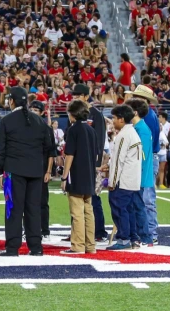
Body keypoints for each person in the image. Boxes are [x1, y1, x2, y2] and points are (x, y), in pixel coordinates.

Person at [0, 87, 53, 257]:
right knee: (33, 209)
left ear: (11, 101)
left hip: (14, 171)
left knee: (13, 209)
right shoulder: (38, 121)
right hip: (35, 172)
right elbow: (48, 147)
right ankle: (36, 248)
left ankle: (12, 248)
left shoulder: (7, 121)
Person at [70, 84, 108, 242]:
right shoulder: (73, 112)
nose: (75, 98)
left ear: (87, 96)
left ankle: (98, 232)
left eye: (79, 95)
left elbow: (99, 141)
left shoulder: (96, 115)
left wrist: (97, 163)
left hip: (92, 163)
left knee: (93, 197)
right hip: (76, 163)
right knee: (75, 197)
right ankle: (77, 232)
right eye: (74, 96)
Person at [60, 100, 97, 255]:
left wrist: (64, 177)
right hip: (89, 174)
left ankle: (78, 245)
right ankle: (90, 245)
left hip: (76, 175)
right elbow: (96, 154)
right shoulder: (91, 130)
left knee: (77, 212)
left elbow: (69, 155)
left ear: (72, 114)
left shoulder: (73, 130)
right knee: (88, 211)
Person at [105, 105, 142, 251]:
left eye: (114, 118)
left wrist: (112, 182)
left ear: (121, 119)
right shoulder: (132, 132)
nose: (113, 121)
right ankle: (133, 237)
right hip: (132, 178)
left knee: (119, 209)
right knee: (128, 209)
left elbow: (118, 161)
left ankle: (123, 238)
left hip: (123, 179)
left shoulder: (123, 135)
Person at [125, 99, 154, 247]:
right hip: (139, 174)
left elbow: (140, 155)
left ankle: (145, 237)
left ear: (134, 112)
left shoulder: (141, 129)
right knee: (135, 205)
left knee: (138, 206)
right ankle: (139, 236)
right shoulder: (140, 127)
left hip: (138, 175)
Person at [28, 100, 57, 240]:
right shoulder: (24, 128)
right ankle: (29, 229)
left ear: (42, 113)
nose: (33, 112)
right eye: (31, 110)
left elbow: (51, 152)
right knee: (27, 201)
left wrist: (48, 171)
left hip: (41, 169)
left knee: (42, 202)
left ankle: (45, 230)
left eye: (36, 110)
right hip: (27, 169)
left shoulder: (47, 129)